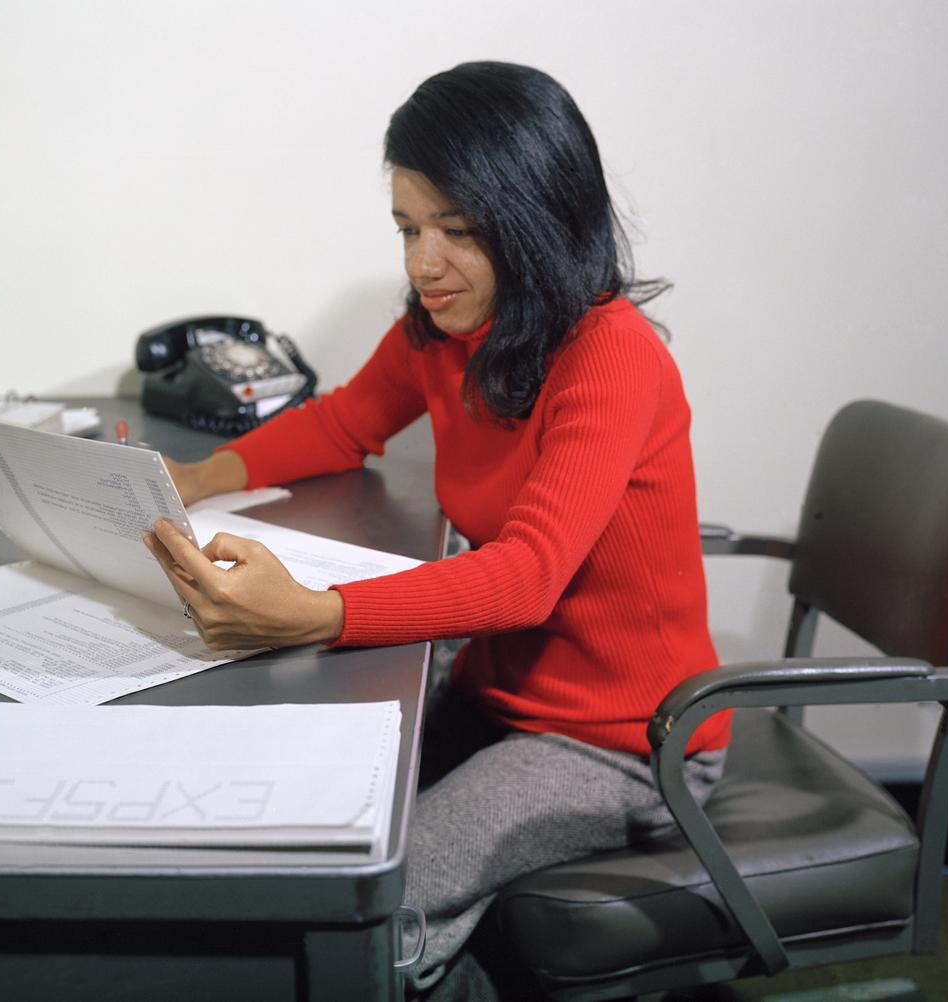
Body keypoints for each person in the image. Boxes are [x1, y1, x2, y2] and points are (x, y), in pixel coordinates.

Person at [144, 61, 728, 996]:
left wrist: (315, 613)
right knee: (296, 826)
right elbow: (345, 423)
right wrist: (200, 476)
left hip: (622, 744)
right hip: (498, 703)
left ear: (537, 218)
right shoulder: (443, 327)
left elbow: (528, 574)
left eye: (458, 231)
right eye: (409, 229)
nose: (423, 263)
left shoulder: (610, 355)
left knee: (367, 913)